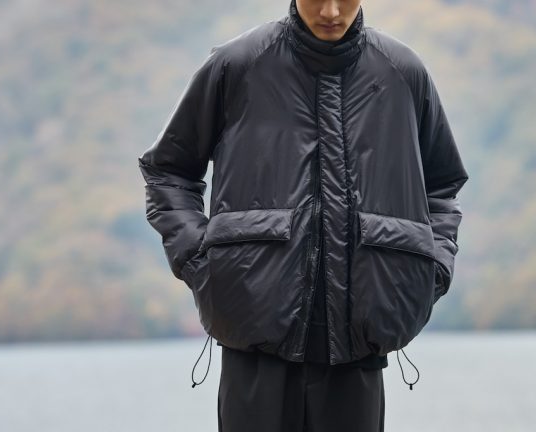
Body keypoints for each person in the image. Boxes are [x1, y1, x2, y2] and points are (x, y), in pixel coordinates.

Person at [137, 0, 469, 430]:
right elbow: (168, 171)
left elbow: (442, 187)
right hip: (253, 338)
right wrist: (203, 265)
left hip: (359, 346)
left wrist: (429, 272)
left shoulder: (403, 73)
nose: (331, 11)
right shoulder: (237, 65)